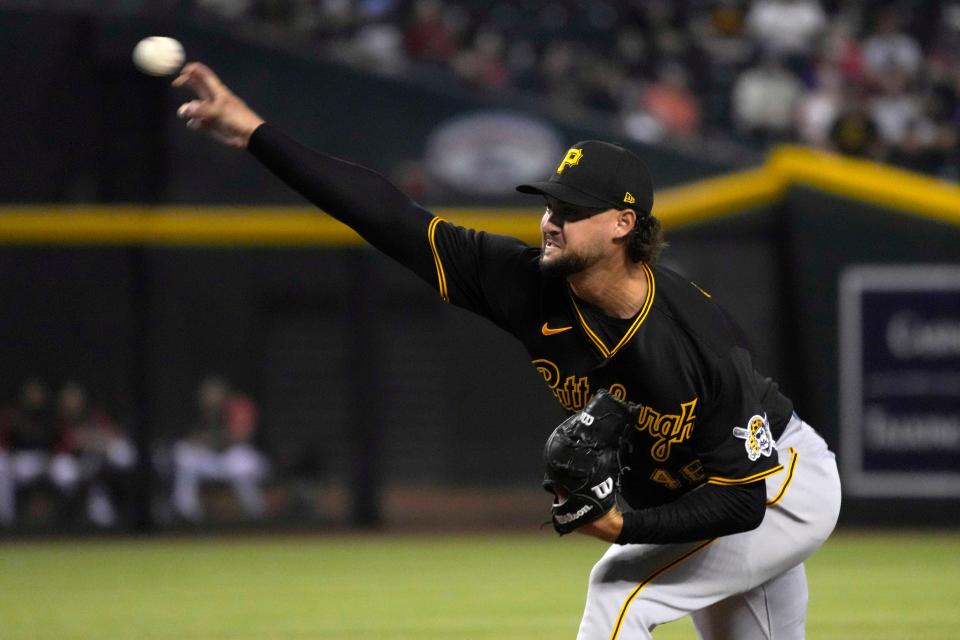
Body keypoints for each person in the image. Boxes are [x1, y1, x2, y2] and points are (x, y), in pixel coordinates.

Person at [174, 62, 841, 638]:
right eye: (550, 201)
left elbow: (742, 503)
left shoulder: (700, 341)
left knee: (621, 592)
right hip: (701, 495)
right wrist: (254, 135)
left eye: (570, 208)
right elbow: (388, 217)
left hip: (777, 484)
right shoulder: (523, 282)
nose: (550, 217)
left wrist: (624, 526)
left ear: (622, 224)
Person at [170, 376, 269, 521]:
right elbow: (188, 440)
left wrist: (216, 439)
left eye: (215, 394)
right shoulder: (196, 414)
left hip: (233, 459)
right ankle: (188, 514)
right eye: (208, 395)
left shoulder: (235, 408)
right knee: (184, 455)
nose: (212, 399)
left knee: (242, 461)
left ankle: (255, 514)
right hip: (210, 461)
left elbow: (243, 435)